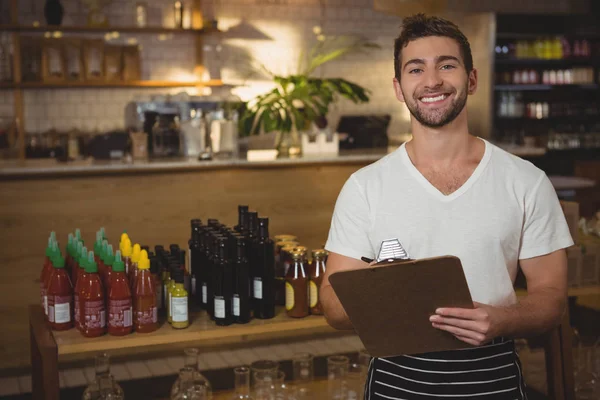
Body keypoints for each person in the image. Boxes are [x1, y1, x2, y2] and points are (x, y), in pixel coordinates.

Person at [321, 14, 574, 400]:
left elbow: (552, 297)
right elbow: (334, 308)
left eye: (447, 65)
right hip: (395, 379)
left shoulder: (526, 181)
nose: (432, 80)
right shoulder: (364, 187)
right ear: (399, 87)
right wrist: (385, 287)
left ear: (471, 80)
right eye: (416, 69)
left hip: (493, 377)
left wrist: (502, 318)